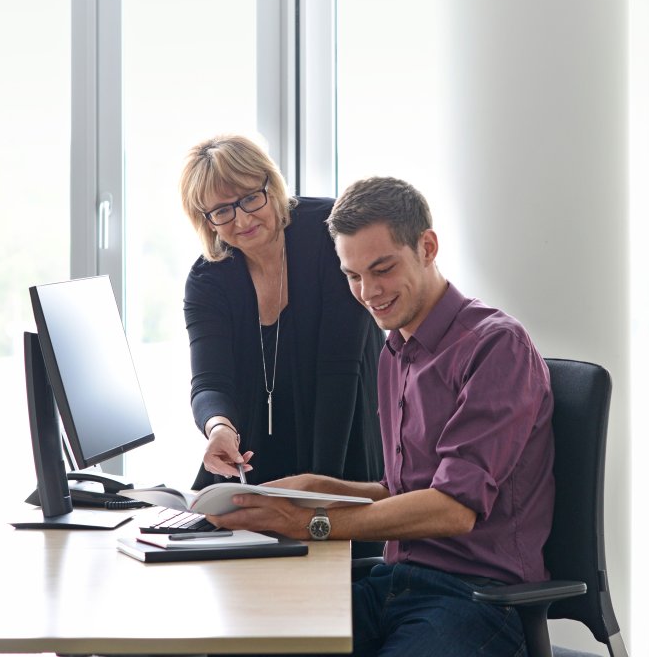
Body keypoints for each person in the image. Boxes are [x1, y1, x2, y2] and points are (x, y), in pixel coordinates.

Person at [209, 176, 556, 657]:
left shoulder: (495, 347)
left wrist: (312, 523)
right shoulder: (396, 351)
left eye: (383, 269)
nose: (368, 292)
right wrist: (319, 489)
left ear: (427, 247)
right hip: (394, 585)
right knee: (240, 639)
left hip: (476, 600)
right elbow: (408, 493)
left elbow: (452, 507)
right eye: (352, 275)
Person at [179, 135, 384, 526]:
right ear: (205, 221)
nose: (241, 220)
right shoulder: (208, 279)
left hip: (344, 444)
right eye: (221, 211)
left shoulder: (330, 235)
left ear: (271, 186)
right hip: (254, 463)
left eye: (249, 199)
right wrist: (218, 427)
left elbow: (341, 372)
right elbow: (209, 382)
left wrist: (317, 500)